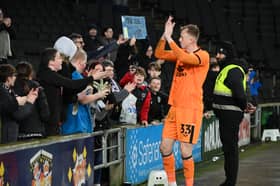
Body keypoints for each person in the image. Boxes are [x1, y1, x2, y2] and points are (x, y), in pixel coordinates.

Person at [154, 16, 209, 185]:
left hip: (190, 109)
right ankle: (172, 183)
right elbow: (159, 53)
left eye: (182, 37)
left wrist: (170, 38)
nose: (179, 39)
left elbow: (186, 59)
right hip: (175, 108)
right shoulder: (181, 53)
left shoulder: (203, 56)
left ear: (191, 39)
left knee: (185, 150)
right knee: (164, 147)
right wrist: (164, 36)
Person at [212, 41, 256, 186]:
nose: (217, 56)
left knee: (230, 150)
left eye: (220, 52)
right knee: (228, 149)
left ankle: (230, 182)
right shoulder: (228, 69)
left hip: (230, 116)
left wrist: (244, 106)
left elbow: (238, 93)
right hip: (227, 116)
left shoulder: (232, 69)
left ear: (228, 54)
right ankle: (229, 181)